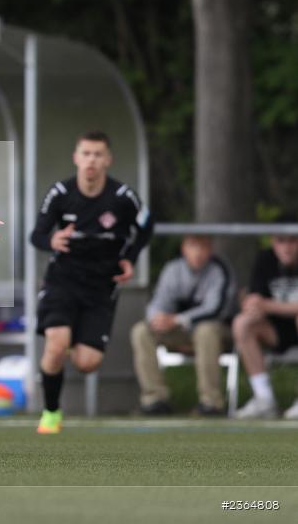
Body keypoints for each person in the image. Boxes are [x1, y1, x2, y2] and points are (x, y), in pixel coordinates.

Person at [30, 131, 153, 434]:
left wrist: (130, 258)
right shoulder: (60, 193)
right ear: (76, 157)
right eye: (86, 153)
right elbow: (37, 235)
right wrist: (52, 239)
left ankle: (72, 339)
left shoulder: (123, 197)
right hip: (63, 280)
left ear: (108, 160)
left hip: (101, 286)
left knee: (87, 363)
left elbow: (148, 226)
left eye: (98, 155)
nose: (91, 161)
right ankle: (51, 413)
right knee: (56, 345)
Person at [130, 235, 236, 416]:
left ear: (210, 250)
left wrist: (177, 320)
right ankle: (155, 399)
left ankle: (211, 402)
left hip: (216, 333)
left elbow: (215, 310)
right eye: (193, 246)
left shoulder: (220, 269)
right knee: (141, 331)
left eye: (203, 247)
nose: (198, 253)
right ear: (184, 248)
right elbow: (158, 303)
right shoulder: (173, 270)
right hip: (181, 332)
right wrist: (157, 319)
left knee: (205, 331)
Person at [232, 232, 298, 419]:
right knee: (242, 323)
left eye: (293, 240)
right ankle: (264, 398)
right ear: (273, 242)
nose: (287, 247)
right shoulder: (265, 259)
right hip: (274, 329)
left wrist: (268, 305)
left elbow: (264, 303)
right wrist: (251, 305)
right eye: (281, 240)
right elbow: (254, 299)